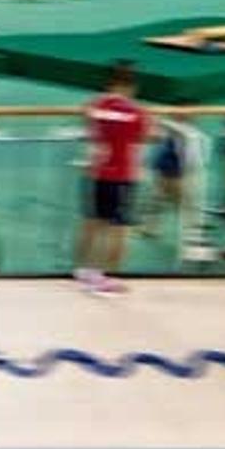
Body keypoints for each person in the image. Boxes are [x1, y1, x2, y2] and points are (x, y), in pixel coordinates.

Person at [75, 61, 150, 296]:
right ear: (130, 85)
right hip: (123, 174)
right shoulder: (137, 113)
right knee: (119, 229)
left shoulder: (95, 106)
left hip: (98, 171)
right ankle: (104, 278)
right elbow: (142, 138)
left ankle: (83, 270)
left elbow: (87, 121)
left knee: (93, 223)